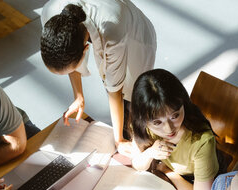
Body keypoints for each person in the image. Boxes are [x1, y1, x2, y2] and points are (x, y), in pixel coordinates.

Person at [41, 0, 156, 155]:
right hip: (103, 31)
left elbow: (115, 90)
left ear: (86, 49)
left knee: (134, 99)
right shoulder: (50, 13)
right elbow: (67, 57)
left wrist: (119, 140)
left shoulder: (113, 31)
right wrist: (78, 97)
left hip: (134, 39)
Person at [130, 69, 222, 190]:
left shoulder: (202, 141)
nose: (169, 129)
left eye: (175, 116)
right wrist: (150, 153)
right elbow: (137, 164)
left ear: (183, 103)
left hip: (195, 179)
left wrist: (168, 171)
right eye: (157, 122)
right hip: (171, 174)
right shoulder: (141, 124)